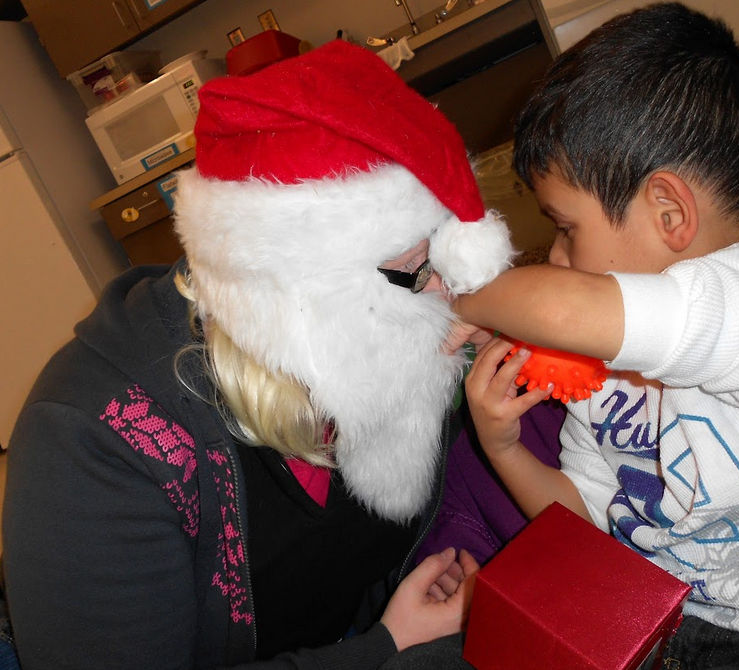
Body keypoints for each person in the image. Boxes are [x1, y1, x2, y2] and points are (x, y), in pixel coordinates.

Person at [0, 39, 518, 670]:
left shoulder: (357, 336)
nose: (453, 297)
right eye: (417, 269)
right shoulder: (92, 440)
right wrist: (383, 645)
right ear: (299, 291)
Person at [449, 3, 739, 668]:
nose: (554, 258)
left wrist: (456, 297)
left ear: (669, 213)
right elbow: (591, 527)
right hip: (688, 628)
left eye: (565, 227)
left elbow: (558, 309)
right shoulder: (603, 366)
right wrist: (503, 447)